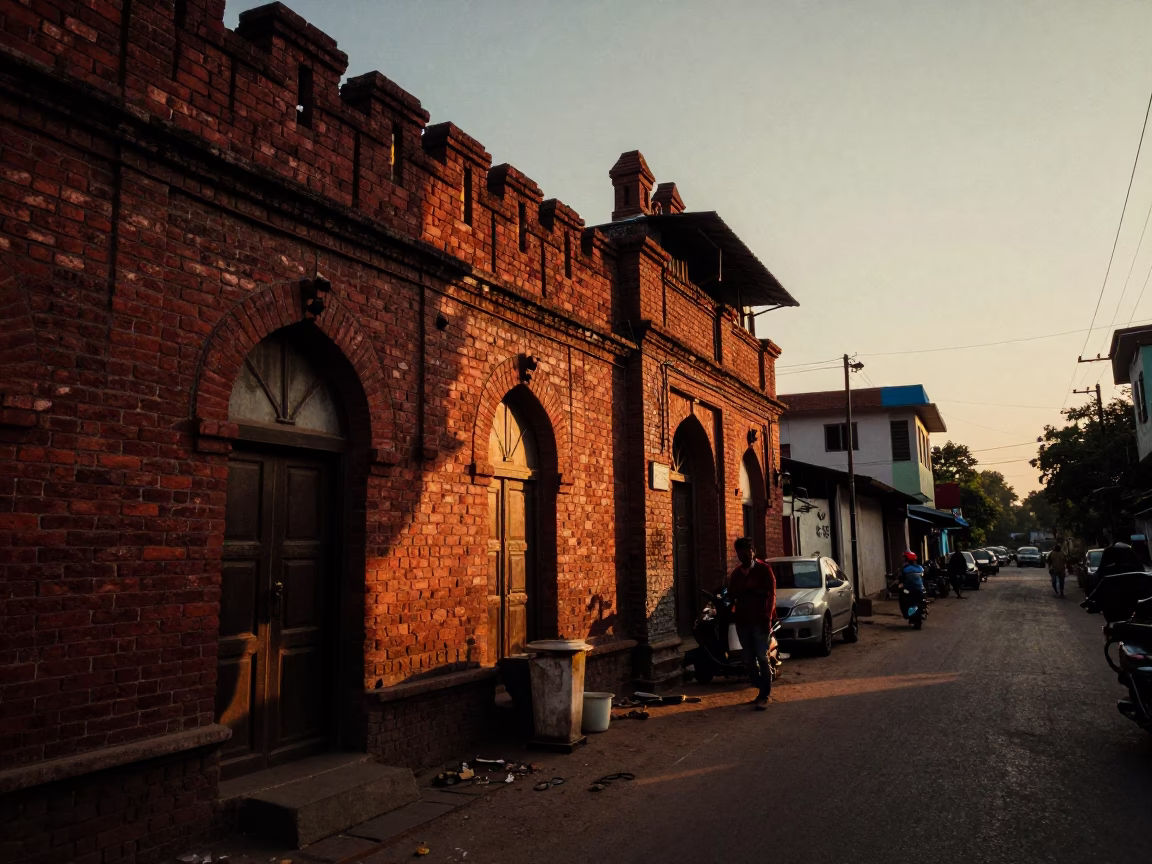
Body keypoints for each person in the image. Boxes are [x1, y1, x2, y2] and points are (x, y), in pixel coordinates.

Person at [728, 537, 776, 710]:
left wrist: (768, 618)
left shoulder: (764, 570)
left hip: (760, 621)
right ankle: (759, 685)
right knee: (748, 659)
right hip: (743, 622)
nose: (744, 556)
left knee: (762, 657)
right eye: (740, 553)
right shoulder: (736, 573)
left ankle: (765, 694)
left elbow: (771, 595)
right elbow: (731, 595)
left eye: (747, 552)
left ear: (753, 551)